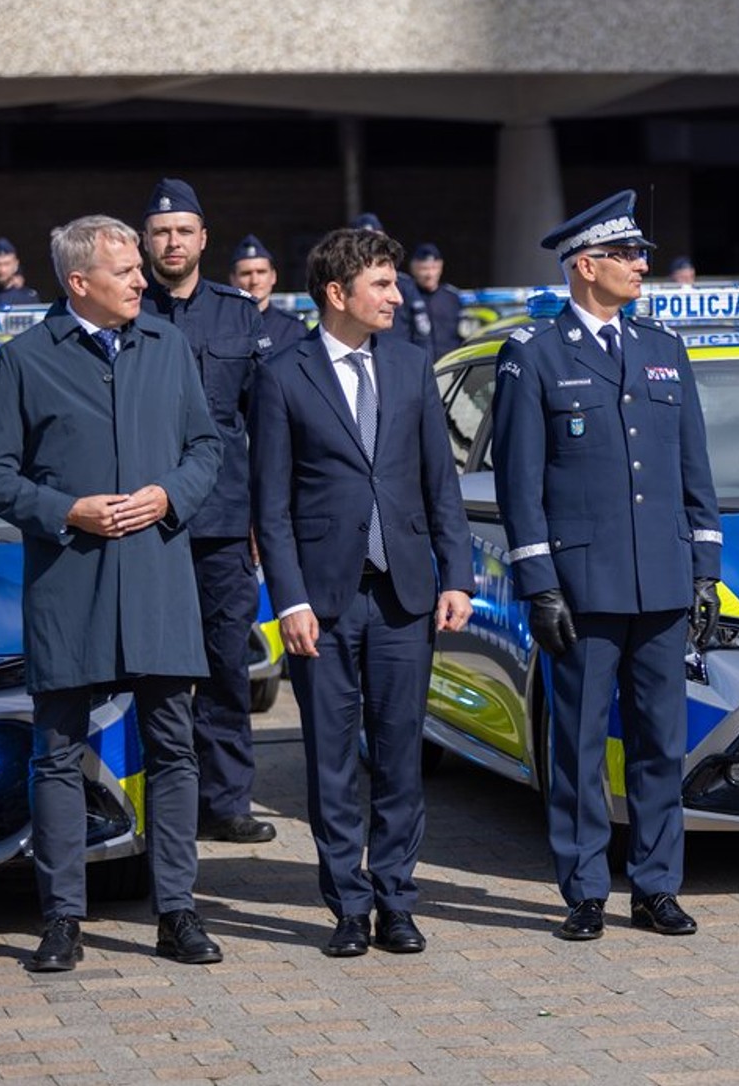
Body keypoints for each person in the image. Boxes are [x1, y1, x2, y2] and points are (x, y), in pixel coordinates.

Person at [0, 213, 225, 972]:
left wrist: (170, 495)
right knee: (57, 754)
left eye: (139, 268)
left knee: (173, 747)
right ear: (80, 282)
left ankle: (177, 912)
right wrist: (65, 510)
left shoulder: (166, 345)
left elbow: (206, 446)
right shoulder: (23, 359)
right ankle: (62, 920)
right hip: (69, 582)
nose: (143, 280)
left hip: (156, 578)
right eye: (127, 272)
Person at [489, 189, 722, 942]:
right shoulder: (534, 353)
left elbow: (692, 468)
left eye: (641, 254)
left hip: (661, 580)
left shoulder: (663, 349)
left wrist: (704, 569)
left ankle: (656, 887)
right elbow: (519, 484)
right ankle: (585, 888)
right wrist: (539, 585)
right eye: (625, 255)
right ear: (585, 266)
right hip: (582, 588)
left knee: (661, 744)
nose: (640, 265)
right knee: (579, 746)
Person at [250, 224, 473, 959]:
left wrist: (456, 576)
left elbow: (440, 484)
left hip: (406, 596)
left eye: (395, 282)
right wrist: (289, 601)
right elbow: (271, 506)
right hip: (323, 602)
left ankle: (396, 901)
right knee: (332, 760)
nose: (396, 295)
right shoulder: (283, 374)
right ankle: (348, 905)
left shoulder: (411, 366)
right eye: (380, 284)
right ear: (336, 293)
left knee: (401, 755)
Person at [138, 178, 275, 847]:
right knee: (147, 670)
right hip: (141, 523)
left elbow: (265, 425)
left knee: (224, 667)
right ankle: (146, 802)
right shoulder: (125, 307)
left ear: (202, 240)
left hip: (222, 523)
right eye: (161, 232)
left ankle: (224, 803)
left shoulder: (238, 315)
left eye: (183, 231)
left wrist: (264, 518)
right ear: (146, 241)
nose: (173, 242)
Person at [351, 213, 430, 351]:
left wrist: (419, 360)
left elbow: (422, 330)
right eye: (364, 241)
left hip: (399, 356)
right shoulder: (345, 283)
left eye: (376, 240)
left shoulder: (404, 284)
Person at [230, 234, 310, 351]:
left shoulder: (293, 328)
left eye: (261, 272)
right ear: (233, 279)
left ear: (273, 276)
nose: (254, 281)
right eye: (246, 273)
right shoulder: (220, 326)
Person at [407, 242, 464, 360]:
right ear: (413, 269)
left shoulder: (452, 297)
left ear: (441, 267)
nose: (430, 274)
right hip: (418, 363)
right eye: (424, 269)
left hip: (449, 364)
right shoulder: (406, 297)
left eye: (434, 268)